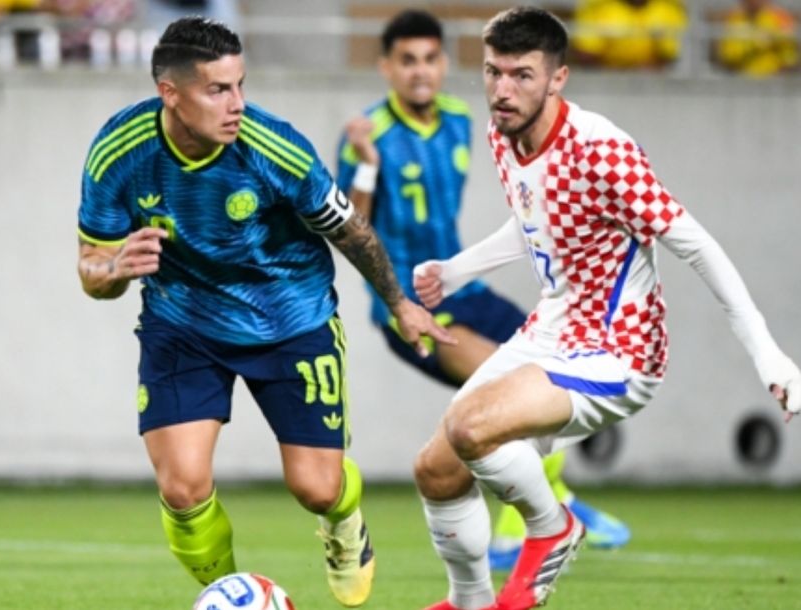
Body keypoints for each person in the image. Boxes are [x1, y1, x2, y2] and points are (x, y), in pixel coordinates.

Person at [411, 7, 800, 610]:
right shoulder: (504, 131)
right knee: (435, 468)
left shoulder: (602, 149)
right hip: (552, 329)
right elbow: (537, 220)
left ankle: (553, 527)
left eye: (521, 75)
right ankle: (470, 602)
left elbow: (696, 245)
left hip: (619, 350)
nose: (503, 90)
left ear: (558, 78)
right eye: (493, 73)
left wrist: (766, 351)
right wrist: (457, 271)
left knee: (470, 428)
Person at [75, 16, 453, 608]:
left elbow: (351, 232)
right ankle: (232, 595)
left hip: (291, 320)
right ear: (169, 94)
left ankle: (344, 524)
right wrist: (116, 269)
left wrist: (400, 303)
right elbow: (90, 267)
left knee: (317, 487)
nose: (237, 105)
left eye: (241, 85)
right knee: (182, 488)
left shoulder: (274, 148)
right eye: (218, 90)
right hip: (183, 324)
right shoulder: (120, 151)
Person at [334, 9, 630, 573]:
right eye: (407, 61)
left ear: (445, 64)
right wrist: (368, 167)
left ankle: (554, 505)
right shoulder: (368, 134)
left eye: (429, 59)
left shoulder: (462, 120)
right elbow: (353, 229)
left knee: (557, 365)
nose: (420, 72)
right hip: (410, 307)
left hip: (463, 289)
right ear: (386, 68)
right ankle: (518, 532)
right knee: (508, 400)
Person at [571, 0, 688, 70]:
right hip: (606, 81)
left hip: (656, 86)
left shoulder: (668, 8)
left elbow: (670, 56)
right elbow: (585, 54)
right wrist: (619, 74)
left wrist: (644, 71)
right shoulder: (597, 6)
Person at [716, 0, 799, 77]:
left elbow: (790, 56)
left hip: (773, 82)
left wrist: (774, 40)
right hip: (742, 81)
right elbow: (727, 55)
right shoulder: (734, 19)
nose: (754, 2)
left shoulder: (779, 18)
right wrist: (755, 44)